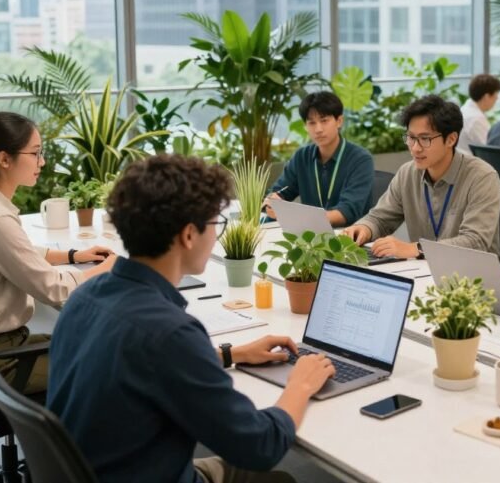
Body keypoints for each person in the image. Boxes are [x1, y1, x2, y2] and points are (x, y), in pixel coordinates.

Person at [48, 154, 335, 483]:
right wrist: (300, 385)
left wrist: (230, 354)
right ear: (188, 235)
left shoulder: (85, 296)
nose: (216, 235)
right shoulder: (169, 333)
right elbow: (260, 446)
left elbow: (139, 365)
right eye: (215, 224)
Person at [0, 111, 115, 397]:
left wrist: (74, 255)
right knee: (107, 360)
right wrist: (106, 269)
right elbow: (54, 290)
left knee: (92, 341)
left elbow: (18, 253)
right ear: (4, 159)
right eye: (35, 153)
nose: (41, 162)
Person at [343, 94, 500, 260]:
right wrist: (364, 228)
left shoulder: (482, 177)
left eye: (425, 139)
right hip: (423, 269)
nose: (415, 148)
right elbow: (380, 218)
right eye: (411, 138)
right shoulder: (407, 173)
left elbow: (475, 242)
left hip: (472, 271)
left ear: (451, 139)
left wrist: (416, 249)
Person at [265, 91, 374, 226]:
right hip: (309, 234)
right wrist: (273, 202)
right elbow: (278, 192)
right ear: (305, 126)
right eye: (312, 123)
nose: (318, 129)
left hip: (348, 234)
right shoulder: (301, 157)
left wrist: (298, 217)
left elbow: (347, 212)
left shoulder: (360, 159)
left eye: (324, 121)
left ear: (339, 121)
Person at [457, 74, 500, 154]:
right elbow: (490, 149)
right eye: (496, 95)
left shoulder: (465, 109)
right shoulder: (476, 118)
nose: (497, 98)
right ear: (487, 96)